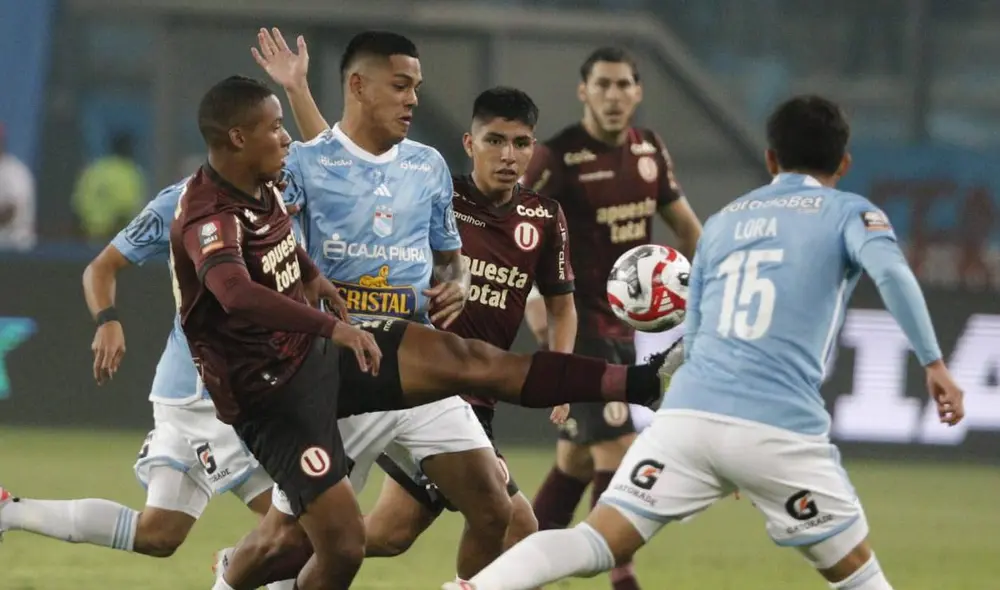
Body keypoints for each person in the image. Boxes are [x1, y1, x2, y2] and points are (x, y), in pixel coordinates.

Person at [444, 94, 966, 590]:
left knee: (592, 542)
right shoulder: (850, 212)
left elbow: (697, 328)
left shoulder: (724, 222)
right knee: (857, 574)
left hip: (690, 419)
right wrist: (935, 363)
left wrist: (720, 443)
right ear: (845, 163)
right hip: (777, 427)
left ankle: (476, 587)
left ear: (770, 158)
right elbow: (892, 274)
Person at [208, 34, 670, 590]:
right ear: (358, 85)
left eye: (417, 88)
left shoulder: (426, 166)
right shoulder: (303, 166)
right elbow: (315, 181)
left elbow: (450, 261)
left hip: (417, 368)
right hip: (340, 374)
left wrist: (456, 283)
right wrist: (296, 89)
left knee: (496, 510)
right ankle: (232, 575)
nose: (413, 99)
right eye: (401, 85)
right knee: (301, 541)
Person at [0, 178, 294, 589]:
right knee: (298, 523)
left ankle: (8, 512)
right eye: (273, 127)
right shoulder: (181, 202)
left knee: (159, 533)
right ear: (236, 134)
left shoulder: (285, 190)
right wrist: (107, 320)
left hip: (229, 389)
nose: (284, 140)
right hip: (209, 397)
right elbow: (101, 266)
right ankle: (235, 569)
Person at [365, 86, 578, 584]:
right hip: (427, 388)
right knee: (516, 524)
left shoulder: (544, 218)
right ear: (469, 142)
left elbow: (563, 307)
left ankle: (269, 557)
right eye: (495, 140)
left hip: (478, 399)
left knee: (389, 534)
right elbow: (359, 182)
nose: (509, 156)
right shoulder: (437, 198)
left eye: (521, 143)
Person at [521, 45, 703, 590]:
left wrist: (704, 287)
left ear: (638, 91)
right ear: (583, 91)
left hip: (627, 328)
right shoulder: (556, 158)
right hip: (579, 325)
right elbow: (517, 231)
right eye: (602, 85)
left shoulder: (649, 150)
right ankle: (623, 580)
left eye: (624, 85)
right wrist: (536, 301)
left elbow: (688, 229)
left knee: (576, 462)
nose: (613, 95)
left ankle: (512, 562)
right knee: (619, 448)